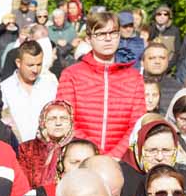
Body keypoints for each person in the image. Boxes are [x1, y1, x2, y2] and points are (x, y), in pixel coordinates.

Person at [58, 9, 140, 156]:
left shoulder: (134, 78)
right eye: (101, 34)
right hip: (81, 158)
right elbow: (66, 120)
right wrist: (94, 153)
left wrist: (114, 156)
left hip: (121, 160)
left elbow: (137, 123)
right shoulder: (71, 75)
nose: (108, 39)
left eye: (113, 33)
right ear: (89, 39)